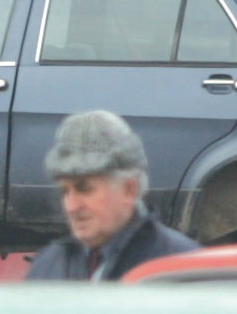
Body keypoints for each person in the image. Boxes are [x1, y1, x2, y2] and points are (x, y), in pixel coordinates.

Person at [25, 108, 201, 282]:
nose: (72, 206)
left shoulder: (181, 267)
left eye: (85, 189)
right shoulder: (48, 266)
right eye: (65, 191)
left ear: (129, 189)